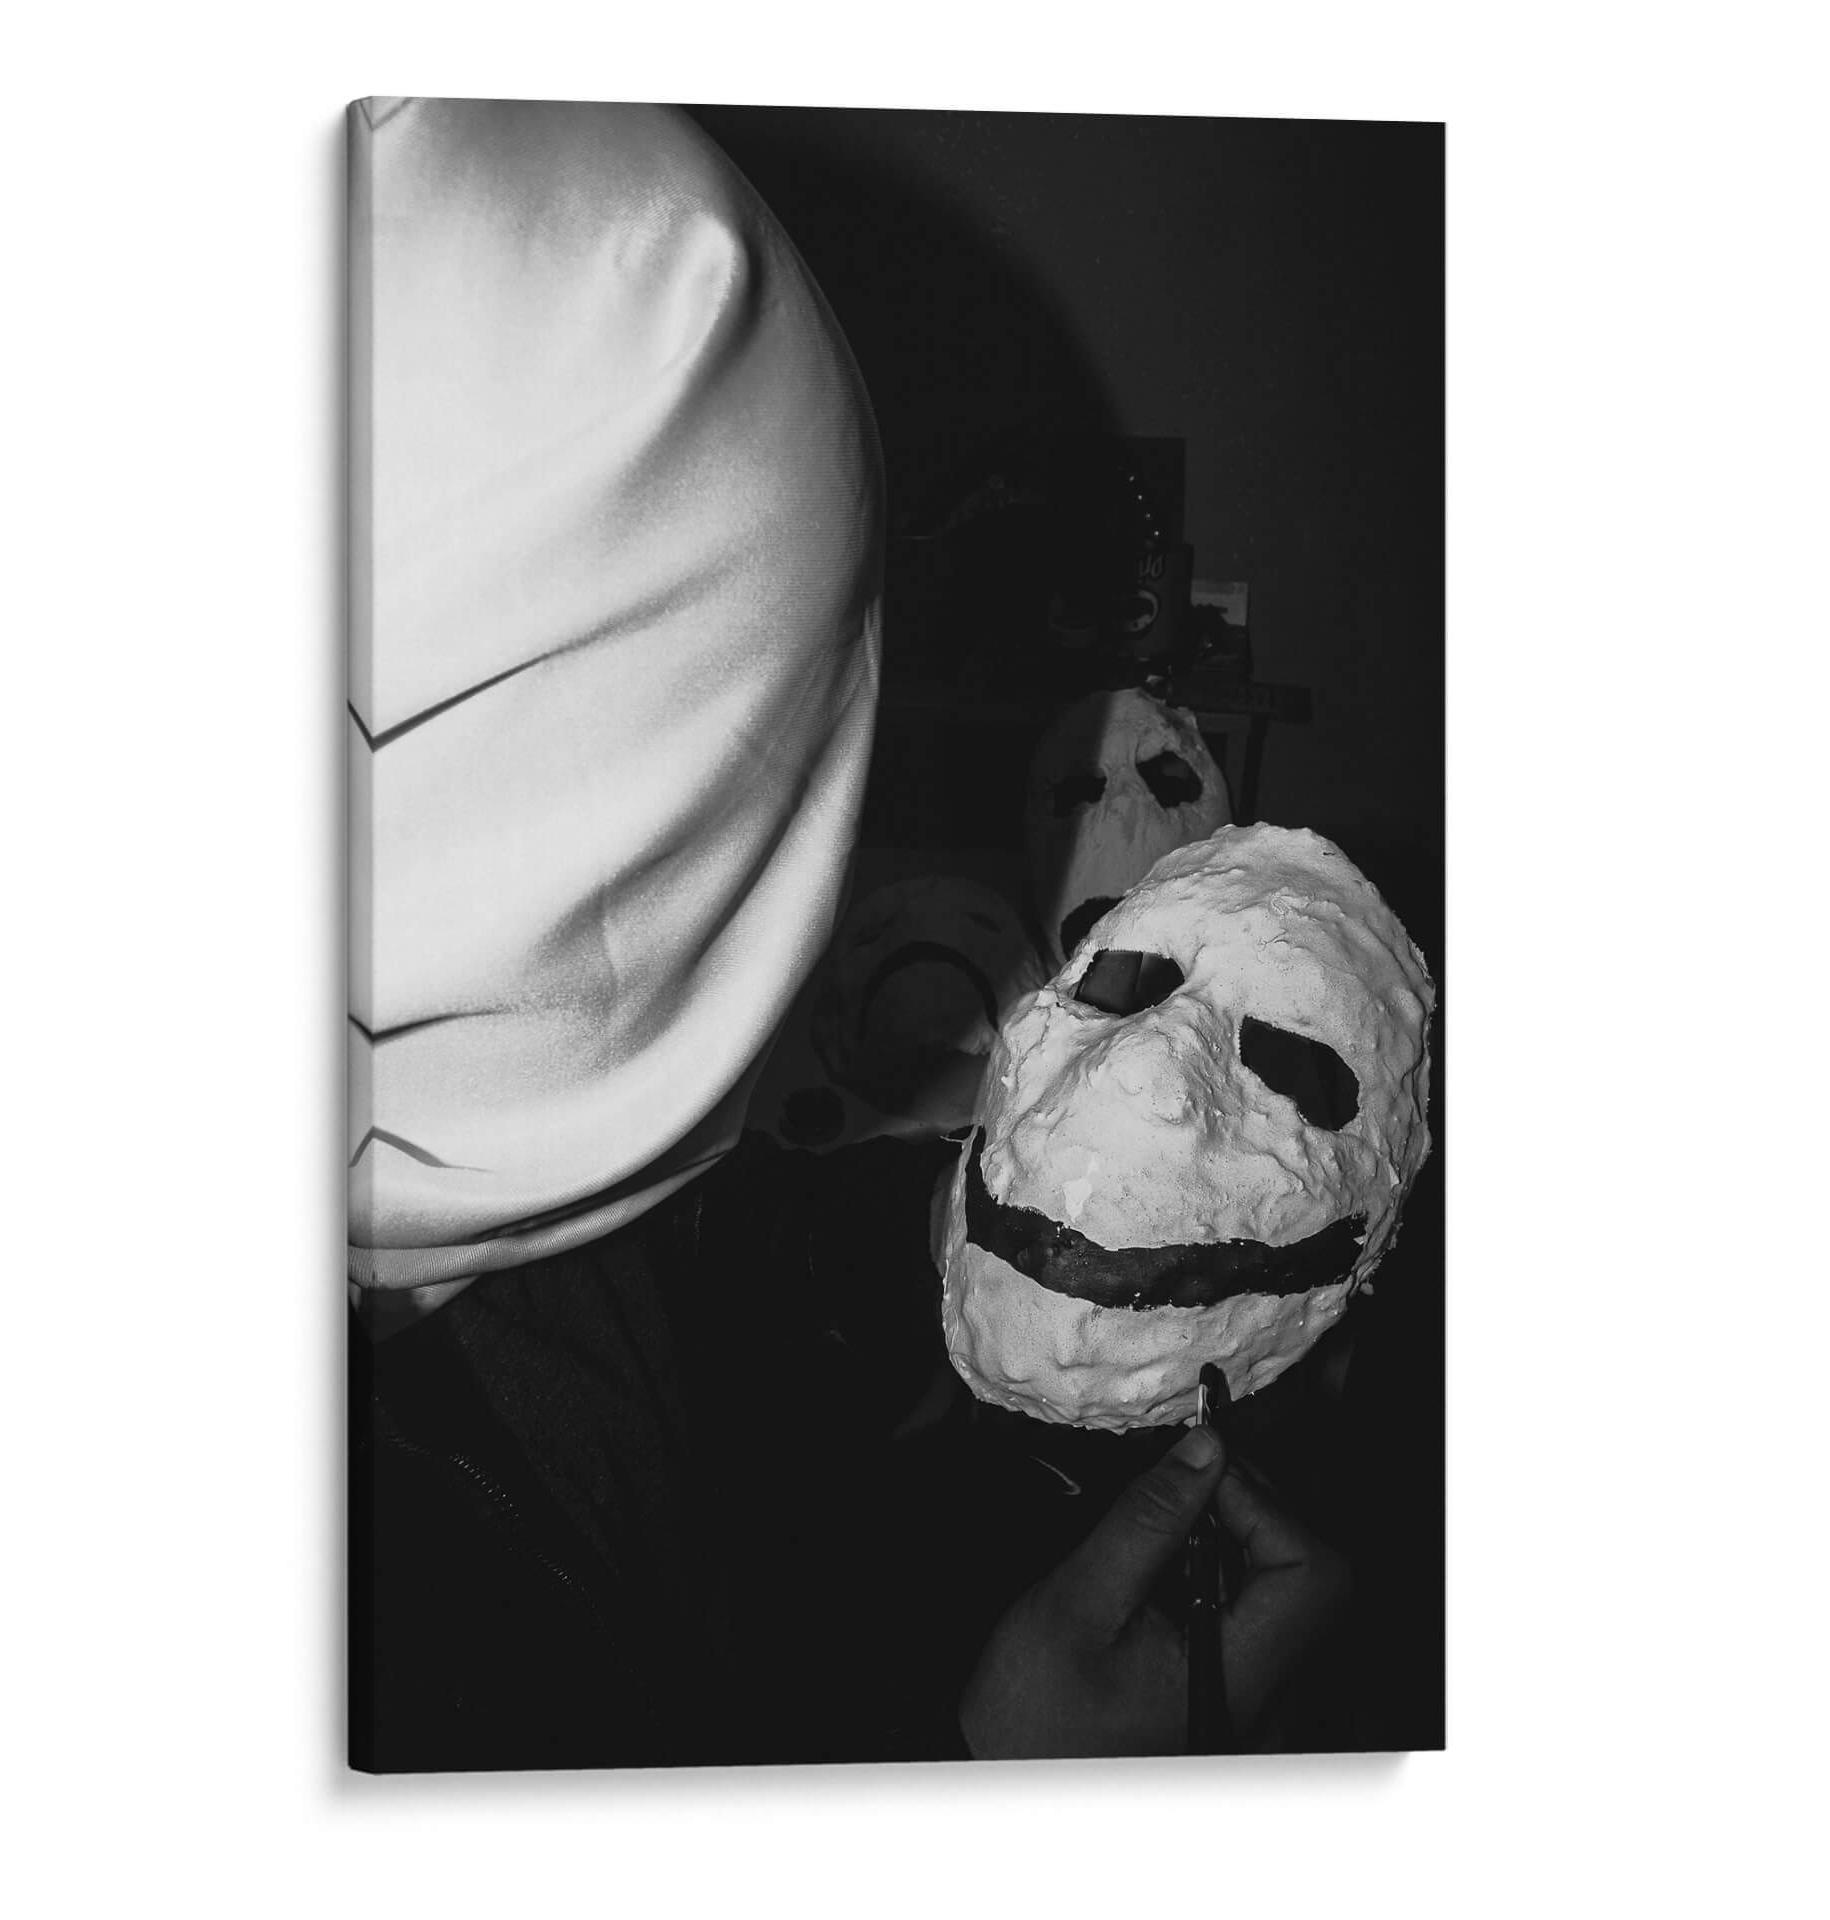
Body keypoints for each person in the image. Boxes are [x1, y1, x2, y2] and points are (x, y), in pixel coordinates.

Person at [348, 96, 1352, 1772]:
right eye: (712, 847)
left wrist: (977, 1228)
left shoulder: (464, 1211)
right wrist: (994, 1786)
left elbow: (666, 1261)